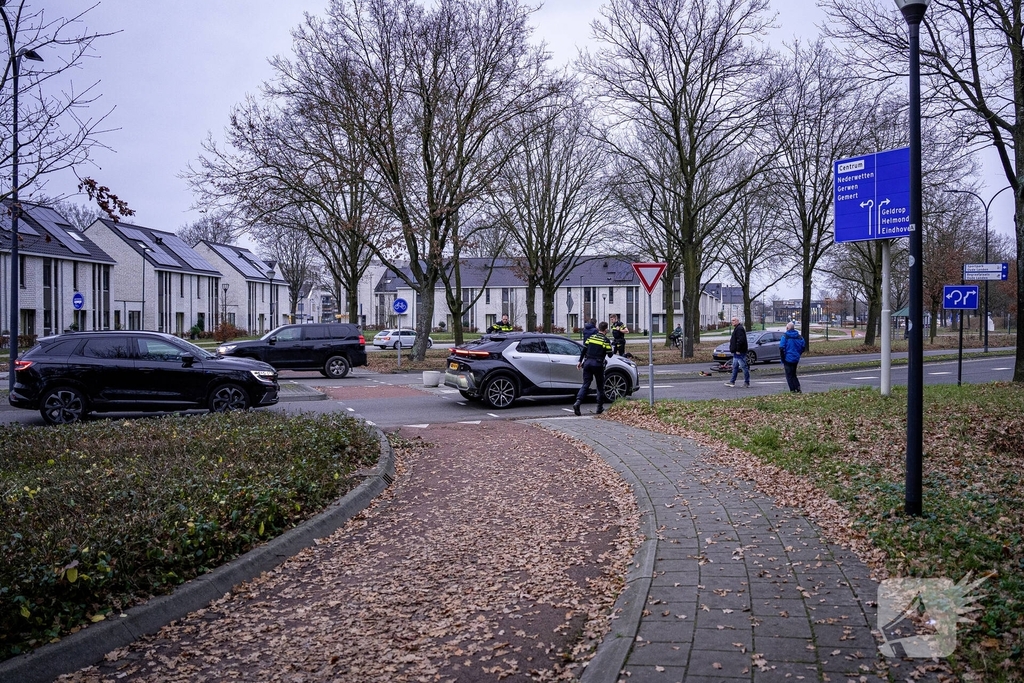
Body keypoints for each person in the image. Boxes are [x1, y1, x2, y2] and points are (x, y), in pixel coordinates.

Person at [574, 321, 612, 416]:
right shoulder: (605, 340)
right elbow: (610, 355)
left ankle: (578, 402)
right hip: (598, 364)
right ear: (606, 329)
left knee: (586, 384)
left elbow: (584, 349)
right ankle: (599, 407)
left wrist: (580, 361)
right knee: (600, 386)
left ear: (598, 329)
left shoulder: (591, 337)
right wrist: (612, 347)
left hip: (587, 363)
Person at [779, 321, 806, 393]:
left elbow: (781, 347)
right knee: (794, 374)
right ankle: (798, 388)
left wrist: (783, 358)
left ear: (787, 328)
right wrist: (798, 354)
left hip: (787, 358)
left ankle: (792, 390)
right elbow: (803, 347)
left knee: (789, 376)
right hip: (796, 358)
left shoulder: (785, 336)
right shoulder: (799, 337)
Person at [724, 316, 749, 388]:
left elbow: (741, 340)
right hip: (736, 352)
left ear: (738, 321)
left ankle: (746, 382)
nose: (732, 322)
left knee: (743, 367)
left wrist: (738, 350)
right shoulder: (737, 328)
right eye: (732, 320)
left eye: (734, 320)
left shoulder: (739, 329)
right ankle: (732, 381)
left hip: (740, 352)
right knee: (735, 367)